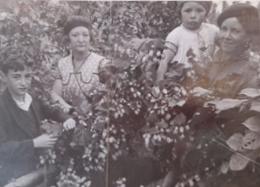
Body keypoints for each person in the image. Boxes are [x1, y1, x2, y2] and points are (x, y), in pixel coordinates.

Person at [0, 54, 76, 186]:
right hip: (15, 175)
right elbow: (2, 148)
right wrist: (34, 143)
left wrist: (67, 119)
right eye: (16, 77)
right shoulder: (2, 106)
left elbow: (53, 111)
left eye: (27, 76)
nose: (23, 83)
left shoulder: (32, 99)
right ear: (3, 77)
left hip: (39, 168)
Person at [51, 15, 110, 112]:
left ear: (90, 38)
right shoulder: (62, 64)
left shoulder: (102, 63)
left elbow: (110, 95)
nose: (81, 40)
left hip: (95, 120)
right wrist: (69, 109)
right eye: (75, 35)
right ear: (68, 38)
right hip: (68, 118)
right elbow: (55, 94)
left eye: (85, 35)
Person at [156, 1, 219, 83]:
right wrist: (159, 85)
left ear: (206, 13)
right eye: (188, 10)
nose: (193, 16)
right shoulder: (175, 35)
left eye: (199, 11)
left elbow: (227, 45)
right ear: (180, 12)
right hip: (181, 79)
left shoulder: (212, 31)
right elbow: (164, 62)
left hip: (206, 78)